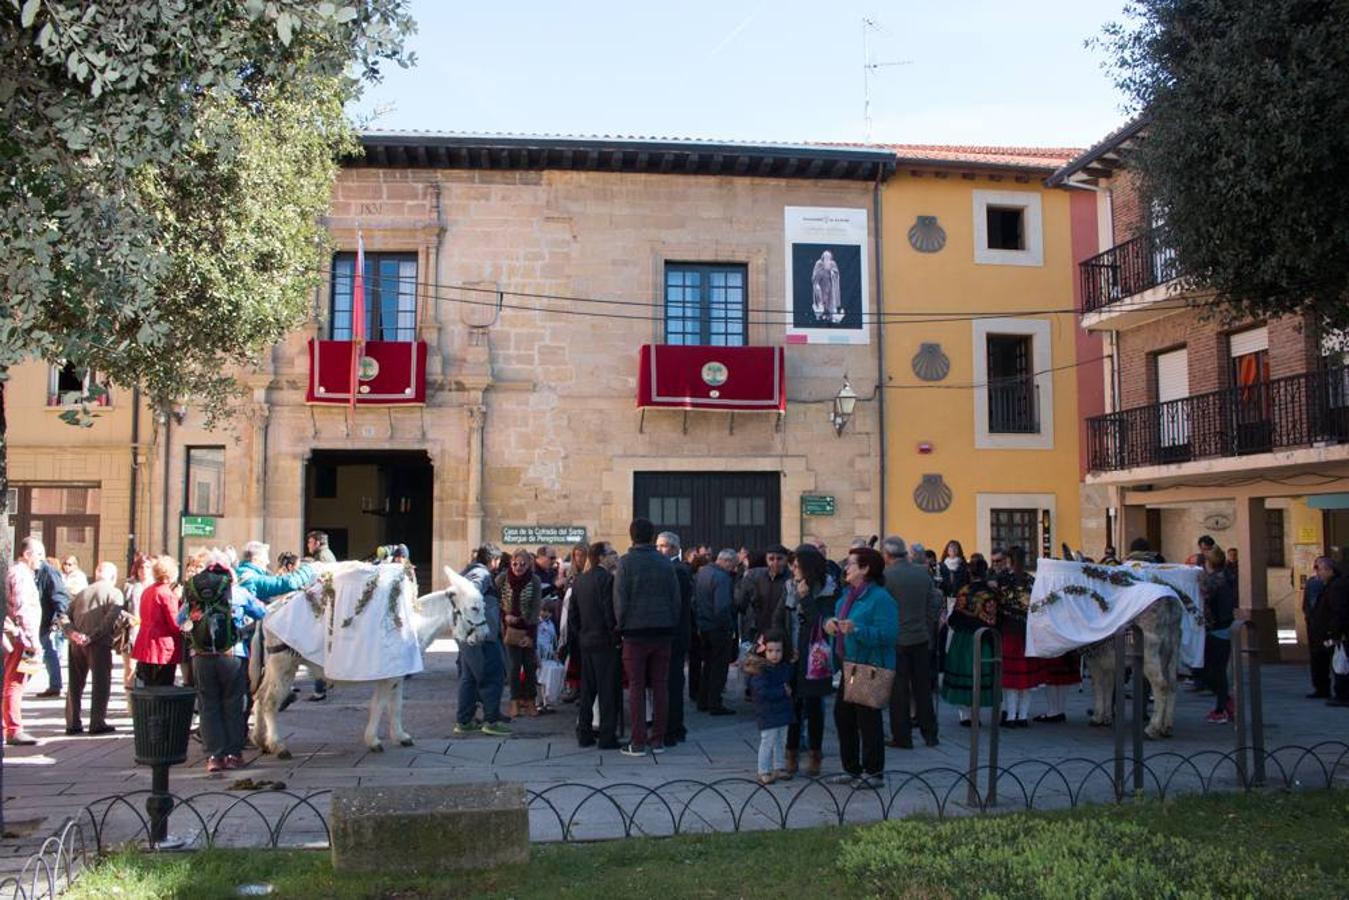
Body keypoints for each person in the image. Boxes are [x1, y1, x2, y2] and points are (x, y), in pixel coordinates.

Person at [178, 554, 267, 771]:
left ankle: (213, 757)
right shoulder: (238, 592)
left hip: (200, 656)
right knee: (234, 704)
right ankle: (234, 754)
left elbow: (179, 621)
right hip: (232, 655)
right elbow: (262, 612)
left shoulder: (195, 593)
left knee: (208, 706)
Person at [825, 547, 898, 789]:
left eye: (851, 564)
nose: (846, 567)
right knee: (843, 717)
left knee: (868, 720)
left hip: (870, 666)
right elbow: (836, 618)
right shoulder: (849, 594)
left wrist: (856, 629)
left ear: (865, 569)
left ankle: (873, 772)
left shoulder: (880, 598)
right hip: (849, 665)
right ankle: (852, 769)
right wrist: (831, 625)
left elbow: (888, 635)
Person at [613, 517, 680, 756]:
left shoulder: (626, 563)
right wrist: (671, 622)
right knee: (660, 686)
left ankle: (638, 741)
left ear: (632, 536)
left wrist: (620, 627)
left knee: (636, 687)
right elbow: (675, 598)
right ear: (652, 537)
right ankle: (658, 740)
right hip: (663, 630)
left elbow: (620, 600)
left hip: (635, 632)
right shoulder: (665, 563)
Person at [772, 545, 837, 775]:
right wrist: (784, 647)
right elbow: (779, 617)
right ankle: (791, 753)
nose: (793, 569)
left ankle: (815, 755)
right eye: (793, 565)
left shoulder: (827, 588)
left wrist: (805, 597)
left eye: (797, 566)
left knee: (814, 706)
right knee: (793, 706)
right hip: (794, 655)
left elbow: (818, 622)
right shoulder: (789, 586)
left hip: (815, 657)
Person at [881, 536, 940, 749]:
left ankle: (902, 736)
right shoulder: (923, 574)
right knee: (923, 688)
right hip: (921, 638)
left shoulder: (886, 576)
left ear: (887, 555)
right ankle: (930, 733)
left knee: (899, 691)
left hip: (897, 641)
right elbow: (933, 604)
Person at [62, 562, 126, 736]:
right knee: (100, 683)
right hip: (98, 644)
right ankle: (97, 722)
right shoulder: (115, 593)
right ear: (113, 576)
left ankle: (72, 722)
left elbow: (64, 616)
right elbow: (109, 621)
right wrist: (91, 636)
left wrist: (73, 633)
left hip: (76, 643)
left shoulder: (82, 592)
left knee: (75, 683)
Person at [456, 546, 511, 737]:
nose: (498, 565)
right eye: (497, 561)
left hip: (467, 635)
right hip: (482, 637)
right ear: (492, 559)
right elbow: (472, 594)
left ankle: (464, 720)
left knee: (469, 678)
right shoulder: (482, 573)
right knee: (492, 676)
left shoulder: (468, 571)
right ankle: (491, 720)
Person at [571, 542, 621, 748]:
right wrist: (615, 636)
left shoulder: (580, 580)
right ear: (601, 557)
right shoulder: (607, 579)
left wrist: (581, 634)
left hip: (586, 641)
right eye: (610, 554)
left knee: (587, 690)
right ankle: (607, 736)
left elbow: (573, 615)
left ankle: (584, 733)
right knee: (607, 691)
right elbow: (609, 611)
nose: (614, 557)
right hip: (604, 642)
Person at [4, 537, 47, 745]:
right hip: (22, 638)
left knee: (15, 681)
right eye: (39, 555)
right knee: (15, 682)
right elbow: (22, 609)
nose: (41, 560)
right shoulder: (20, 575)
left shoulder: (20, 573)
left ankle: (10, 727)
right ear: (27, 554)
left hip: (21, 636)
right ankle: (13, 728)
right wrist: (32, 641)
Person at [995, 546, 1042, 728]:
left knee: (1010, 679)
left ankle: (1011, 716)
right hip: (1027, 631)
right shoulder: (1031, 581)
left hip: (1008, 631)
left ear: (1010, 560)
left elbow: (998, 604)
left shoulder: (1004, 579)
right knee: (1025, 678)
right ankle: (1022, 716)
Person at [941, 583, 1000, 726]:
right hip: (983, 639)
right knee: (979, 675)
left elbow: (954, 618)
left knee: (962, 673)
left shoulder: (964, 590)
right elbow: (993, 619)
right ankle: (975, 714)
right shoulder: (990, 592)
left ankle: (965, 715)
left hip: (962, 638)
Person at [656, 531, 694, 745]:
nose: (662, 550)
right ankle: (673, 727)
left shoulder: (677, 571)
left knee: (672, 683)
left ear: (674, 549)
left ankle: (673, 728)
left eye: (665, 546)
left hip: (674, 636)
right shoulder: (671, 569)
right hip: (673, 635)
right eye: (659, 546)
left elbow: (677, 607)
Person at [744, 630, 794, 785]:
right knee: (768, 741)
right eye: (770, 651)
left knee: (781, 740)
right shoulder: (760, 670)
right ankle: (763, 770)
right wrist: (782, 691)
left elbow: (788, 676)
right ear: (763, 650)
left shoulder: (782, 666)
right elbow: (761, 692)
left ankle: (779, 766)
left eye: (778, 651)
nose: (774, 655)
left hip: (782, 710)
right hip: (768, 712)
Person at [498, 548, 543, 718]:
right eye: (515, 563)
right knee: (514, 666)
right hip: (510, 630)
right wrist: (505, 616)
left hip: (528, 629)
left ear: (529, 564)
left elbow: (536, 607)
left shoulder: (535, 580)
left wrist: (529, 635)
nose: (518, 567)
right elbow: (496, 600)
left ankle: (530, 701)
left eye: (522, 564)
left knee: (530, 665)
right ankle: (515, 701)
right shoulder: (503, 578)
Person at [695, 549, 738, 716]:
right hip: (719, 628)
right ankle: (715, 702)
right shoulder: (722, 578)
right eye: (733, 565)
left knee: (708, 665)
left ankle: (703, 700)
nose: (734, 569)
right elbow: (722, 607)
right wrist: (730, 627)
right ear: (726, 562)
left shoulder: (703, 572)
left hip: (704, 626)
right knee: (719, 667)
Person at [131, 556, 182, 686]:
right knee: (162, 688)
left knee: (149, 687)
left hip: (146, 644)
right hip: (161, 648)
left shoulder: (148, 590)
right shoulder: (167, 594)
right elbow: (175, 624)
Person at [1200, 547, 1237, 723]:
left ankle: (1223, 707)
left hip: (1217, 628)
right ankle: (1224, 703)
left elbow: (1206, 596)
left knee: (1213, 672)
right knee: (1216, 670)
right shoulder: (1227, 576)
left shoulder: (1215, 581)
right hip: (1224, 626)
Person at [1312, 557, 1349, 708]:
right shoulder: (1333, 585)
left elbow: (1338, 611)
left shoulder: (1337, 587)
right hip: (1334, 632)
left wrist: (1334, 632)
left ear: (1329, 570)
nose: (1317, 573)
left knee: (1342, 664)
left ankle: (1343, 695)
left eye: (1319, 569)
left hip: (1339, 634)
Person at [33, 554, 70, 699]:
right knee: (48, 651)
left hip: (43, 620)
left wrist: (61, 616)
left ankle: (16, 686)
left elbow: (59, 595)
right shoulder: (35, 572)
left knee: (39, 652)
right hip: (41, 619)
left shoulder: (48, 572)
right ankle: (55, 685)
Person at [737, 545, 790, 644]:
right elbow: (742, 601)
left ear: (786, 560)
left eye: (779, 559)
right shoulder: (755, 576)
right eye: (771, 559)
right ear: (766, 559)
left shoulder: (791, 579)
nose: (775, 562)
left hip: (782, 631)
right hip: (758, 629)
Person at [120, 553, 154, 692]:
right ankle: (131, 703)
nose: (144, 570)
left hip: (151, 632)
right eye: (141, 567)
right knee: (130, 668)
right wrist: (128, 618)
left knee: (149, 667)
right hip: (132, 631)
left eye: (147, 567)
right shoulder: (130, 586)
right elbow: (120, 608)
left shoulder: (157, 586)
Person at [1304, 563, 1330, 699]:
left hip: (1325, 628)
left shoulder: (1334, 585)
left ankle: (1324, 688)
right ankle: (1322, 688)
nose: (1318, 572)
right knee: (1319, 659)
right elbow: (1307, 605)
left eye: (1320, 569)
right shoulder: (1313, 583)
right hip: (1317, 627)